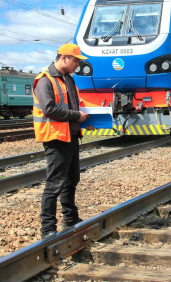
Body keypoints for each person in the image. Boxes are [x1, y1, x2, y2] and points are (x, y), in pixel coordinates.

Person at [33, 43, 94, 238]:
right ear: (64, 58)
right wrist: (77, 116)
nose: (78, 64)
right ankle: (48, 228)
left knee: (72, 179)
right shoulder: (44, 80)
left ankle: (70, 218)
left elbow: (75, 106)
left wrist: (88, 119)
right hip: (56, 138)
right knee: (55, 183)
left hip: (71, 136)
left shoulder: (68, 79)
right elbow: (49, 109)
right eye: (76, 60)